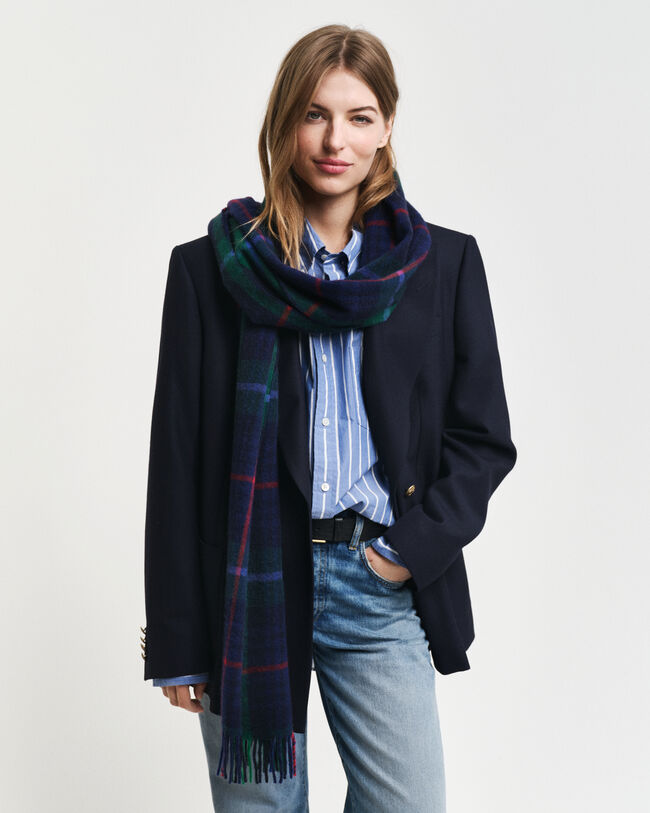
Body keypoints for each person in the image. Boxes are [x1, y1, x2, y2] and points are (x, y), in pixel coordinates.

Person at [141, 23, 517, 813]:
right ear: (284, 122)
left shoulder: (442, 265)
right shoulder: (210, 270)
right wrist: (176, 638)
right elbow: (176, 463)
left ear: (386, 128)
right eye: (314, 114)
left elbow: (483, 440)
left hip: (377, 580)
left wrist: (404, 554)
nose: (334, 139)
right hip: (249, 587)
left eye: (358, 116)